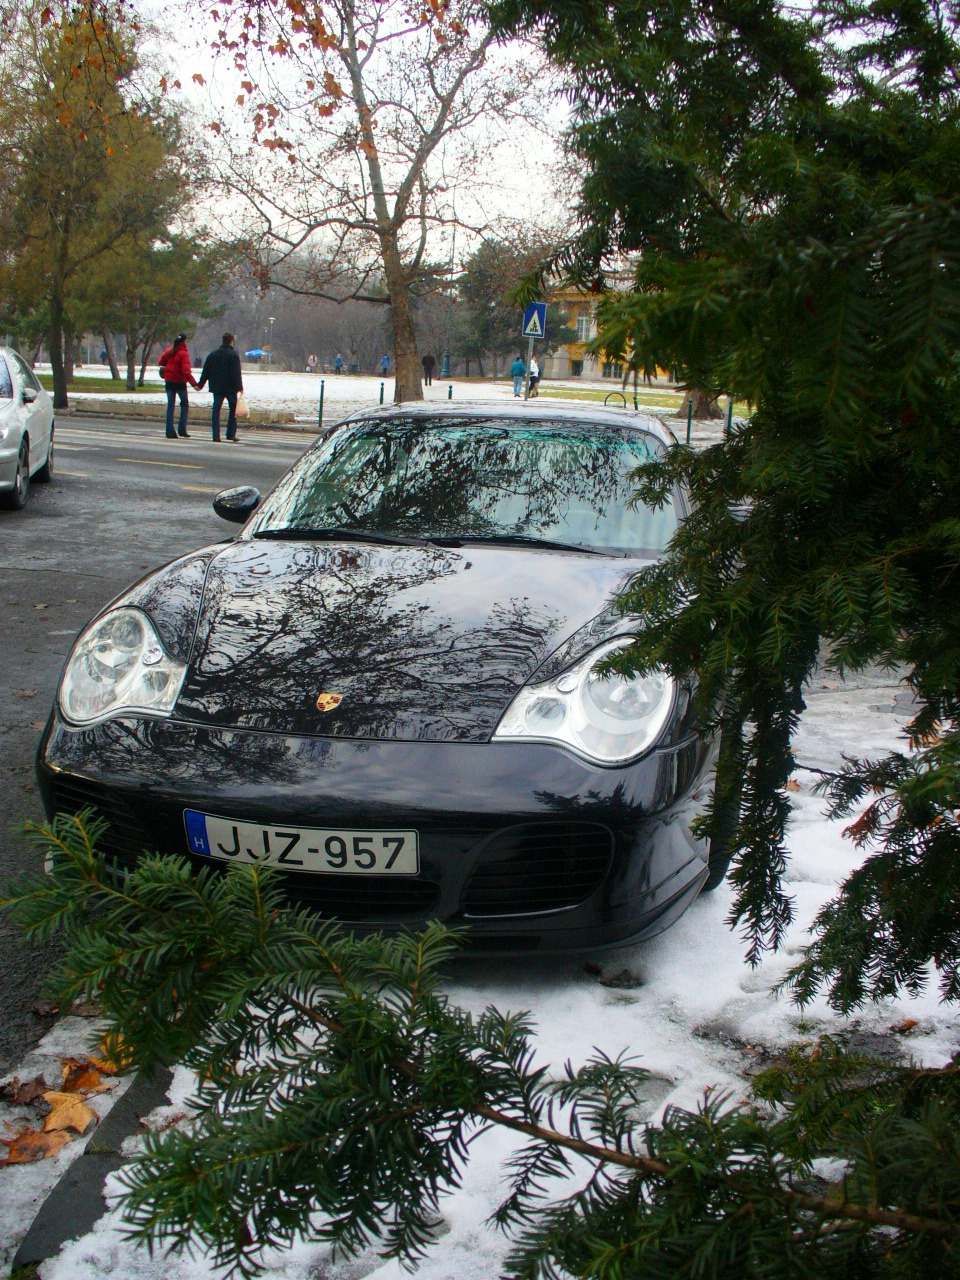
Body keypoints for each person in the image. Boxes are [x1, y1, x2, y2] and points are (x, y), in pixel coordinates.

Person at [198, 332, 244, 443]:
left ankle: (215, 435)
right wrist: (240, 387)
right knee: (233, 410)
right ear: (231, 341)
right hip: (230, 387)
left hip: (216, 386)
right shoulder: (233, 355)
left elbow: (206, 370)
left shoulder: (213, 354)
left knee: (216, 410)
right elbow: (236, 373)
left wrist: (200, 384)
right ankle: (230, 434)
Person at [158, 334, 200, 438]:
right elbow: (186, 371)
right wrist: (194, 384)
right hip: (180, 382)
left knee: (170, 406)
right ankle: (182, 429)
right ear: (184, 341)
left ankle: (169, 431)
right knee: (184, 405)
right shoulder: (183, 354)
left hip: (169, 382)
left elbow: (161, 362)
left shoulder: (170, 351)